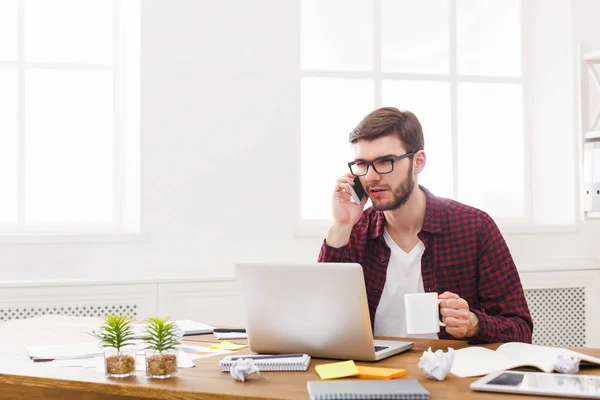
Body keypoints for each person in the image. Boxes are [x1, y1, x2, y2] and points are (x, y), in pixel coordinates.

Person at [318, 107, 533, 344]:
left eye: (385, 162)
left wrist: (474, 324)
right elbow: (322, 325)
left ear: (418, 162)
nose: (370, 177)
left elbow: (520, 330)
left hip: (449, 373)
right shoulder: (354, 232)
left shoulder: (475, 228)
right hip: (374, 374)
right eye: (362, 164)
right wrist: (340, 226)